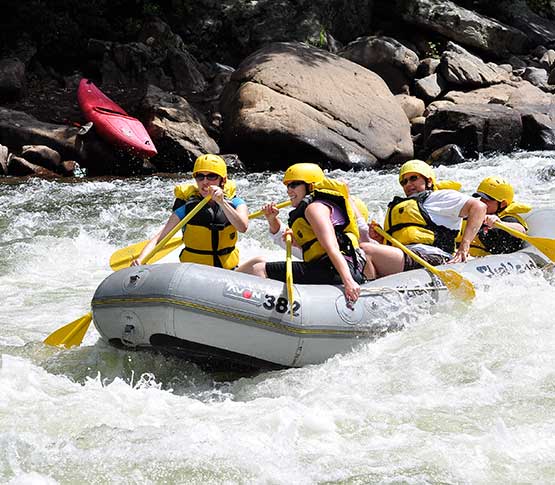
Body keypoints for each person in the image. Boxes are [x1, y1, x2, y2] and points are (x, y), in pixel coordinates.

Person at [237, 163, 366, 302]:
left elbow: (332, 247)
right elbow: (312, 247)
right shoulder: (317, 207)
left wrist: (348, 281)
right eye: (288, 186)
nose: (289, 190)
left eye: (294, 185)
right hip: (330, 268)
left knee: (258, 269)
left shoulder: (314, 208)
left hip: (334, 270)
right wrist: (272, 220)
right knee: (262, 265)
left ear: (310, 186)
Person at [360, 159, 487, 279]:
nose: (408, 184)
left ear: (429, 181)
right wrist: (381, 239)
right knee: (359, 252)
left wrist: (464, 246)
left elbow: (479, 207)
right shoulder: (399, 207)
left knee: (366, 250)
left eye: (413, 178)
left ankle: (367, 293)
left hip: (434, 256)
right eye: (404, 182)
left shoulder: (438, 197)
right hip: (407, 256)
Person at [132, 154, 249, 269]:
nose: (205, 182)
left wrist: (222, 202)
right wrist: (141, 259)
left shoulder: (236, 203)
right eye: (200, 176)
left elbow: (242, 227)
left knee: (258, 263)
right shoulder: (186, 208)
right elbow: (160, 238)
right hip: (194, 272)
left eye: (212, 176)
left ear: (222, 180)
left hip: (227, 271)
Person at [457, 176, 531, 256]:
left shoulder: (508, 218)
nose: (482, 202)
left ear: (503, 204)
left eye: (487, 200)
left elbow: (521, 231)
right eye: (481, 198)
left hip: (483, 260)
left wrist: (500, 223)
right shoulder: (474, 210)